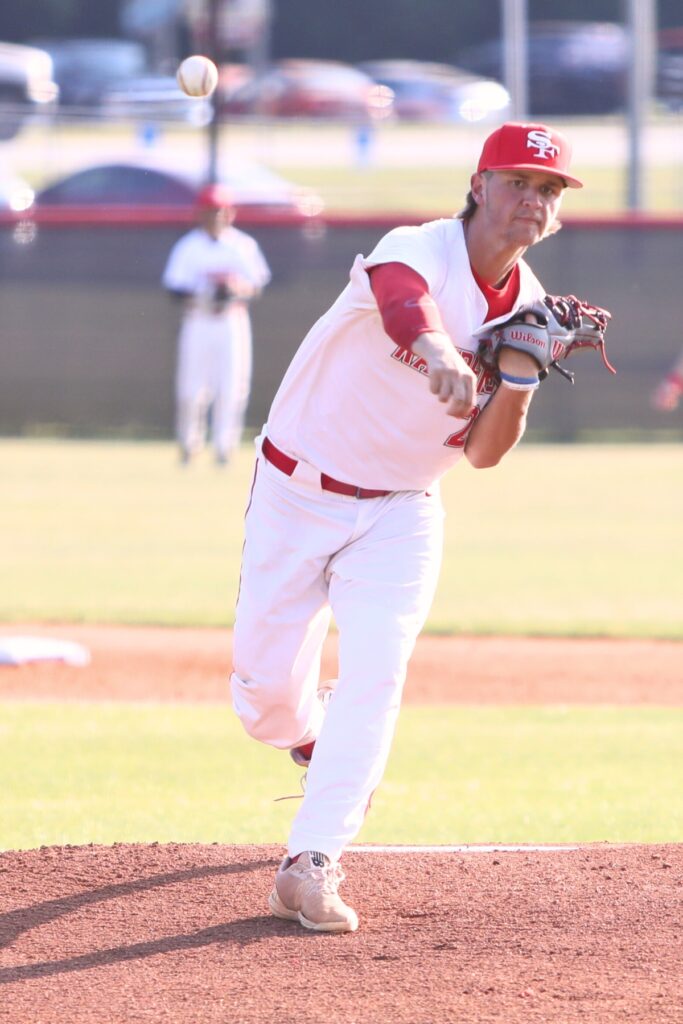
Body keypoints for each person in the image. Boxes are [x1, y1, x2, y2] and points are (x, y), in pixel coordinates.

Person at [230, 121, 583, 932]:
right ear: (478, 186)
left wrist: (518, 383)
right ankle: (309, 735)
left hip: (402, 509)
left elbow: (484, 454)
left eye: (548, 190)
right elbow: (401, 303)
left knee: (378, 671)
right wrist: (438, 353)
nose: (532, 200)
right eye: (518, 182)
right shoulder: (417, 248)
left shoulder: (528, 309)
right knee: (264, 702)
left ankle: (311, 861)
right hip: (296, 490)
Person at [162, 184, 271, 464]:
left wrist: (234, 289)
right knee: (191, 388)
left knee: (232, 386)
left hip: (231, 321)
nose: (216, 216)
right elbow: (174, 287)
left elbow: (256, 284)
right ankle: (189, 444)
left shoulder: (242, 245)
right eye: (210, 211)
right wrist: (205, 293)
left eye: (220, 210)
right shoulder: (189, 246)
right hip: (199, 319)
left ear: (230, 213)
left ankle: (225, 447)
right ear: (201, 213)